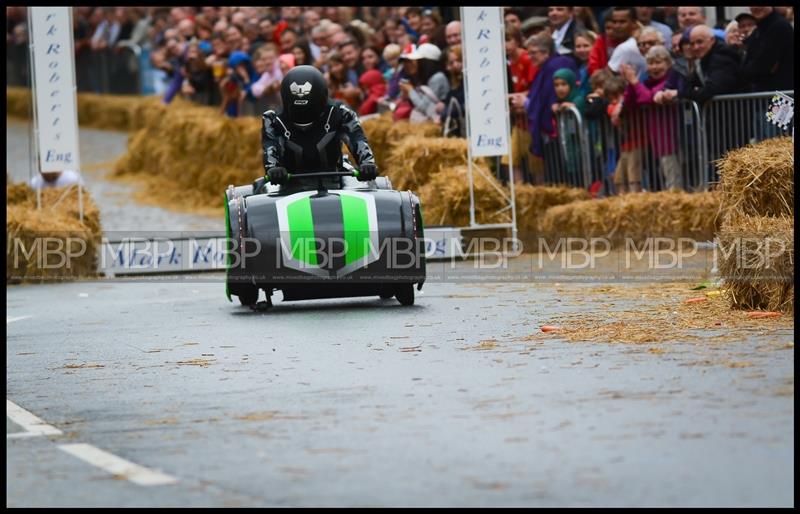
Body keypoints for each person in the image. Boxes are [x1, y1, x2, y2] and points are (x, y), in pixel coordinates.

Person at [261, 65, 378, 185]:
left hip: (335, 177)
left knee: (373, 185)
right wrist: (273, 168)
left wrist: (366, 163)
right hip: (290, 182)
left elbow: (356, 138)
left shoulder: (340, 112)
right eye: (298, 110)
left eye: (309, 109)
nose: (304, 114)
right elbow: (271, 145)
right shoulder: (272, 119)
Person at [620, 46, 682, 190]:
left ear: (668, 64)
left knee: (672, 178)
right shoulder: (647, 83)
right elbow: (630, 102)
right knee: (663, 177)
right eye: (651, 63)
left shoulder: (670, 81)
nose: (654, 67)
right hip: (655, 141)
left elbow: (648, 98)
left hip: (670, 139)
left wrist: (634, 81)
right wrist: (631, 83)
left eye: (659, 62)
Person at [740, 6, 794, 92]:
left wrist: (755, 69)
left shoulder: (780, 27)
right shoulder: (757, 31)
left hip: (783, 96)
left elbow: (762, 66)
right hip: (765, 94)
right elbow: (746, 70)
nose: (756, 7)